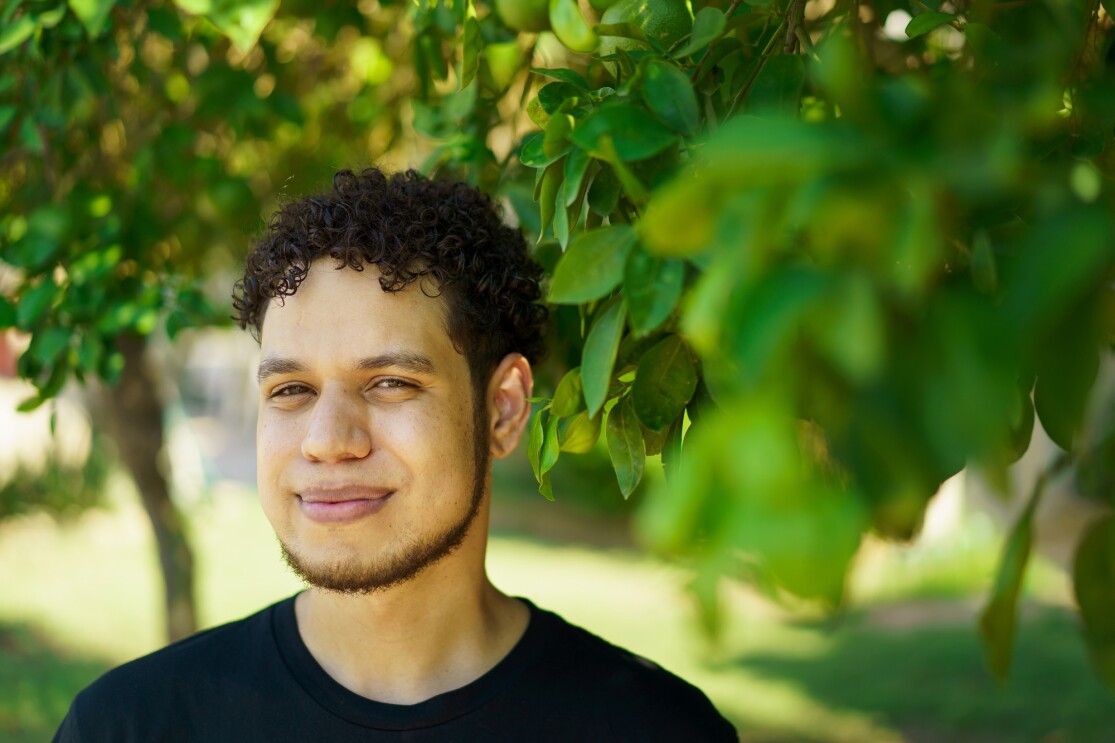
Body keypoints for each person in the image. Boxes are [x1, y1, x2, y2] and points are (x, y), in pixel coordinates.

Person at [53, 168, 737, 742]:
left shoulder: (654, 729)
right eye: (290, 389)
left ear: (501, 409)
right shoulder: (127, 726)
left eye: (389, 383)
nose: (326, 439)